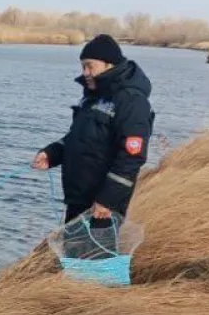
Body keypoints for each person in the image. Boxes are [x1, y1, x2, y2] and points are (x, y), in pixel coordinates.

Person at [31, 33, 155, 224]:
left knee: (96, 254)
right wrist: (52, 154)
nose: (85, 72)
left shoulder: (132, 102)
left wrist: (107, 200)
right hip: (78, 199)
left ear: (109, 64)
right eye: (83, 66)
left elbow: (132, 156)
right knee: (73, 252)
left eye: (90, 66)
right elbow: (79, 138)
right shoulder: (92, 97)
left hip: (103, 208)